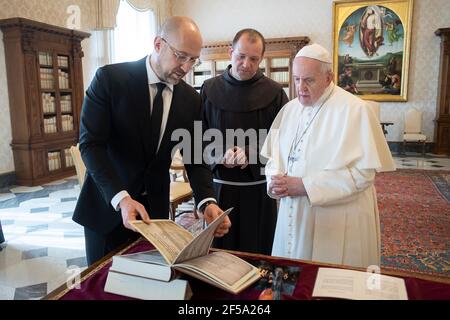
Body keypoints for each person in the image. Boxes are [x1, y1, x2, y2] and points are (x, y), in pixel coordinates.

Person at [73, 16, 231, 266]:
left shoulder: (191, 99)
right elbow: (91, 145)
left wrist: (206, 200)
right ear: (158, 44)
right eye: (181, 56)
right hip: (108, 208)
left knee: (147, 283)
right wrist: (122, 198)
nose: (187, 67)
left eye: (193, 59)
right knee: (104, 287)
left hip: (154, 216)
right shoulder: (110, 80)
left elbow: (195, 156)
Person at [261, 43, 395, 268]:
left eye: (309, 80)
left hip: (336, 217)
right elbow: (274, 157)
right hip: (293, 211)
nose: (300, 87)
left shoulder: (355, 110)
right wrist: (274, 180)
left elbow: (363, 175)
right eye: (296, 79)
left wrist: (305, 186)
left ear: (329, 77)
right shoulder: (290, 109)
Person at [201, 29, 288, 255]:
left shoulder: (275, 93)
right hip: (219, 190)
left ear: (261, 59)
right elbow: (196, 139)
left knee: (258, 255)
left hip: (258, 192)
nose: (246, 64)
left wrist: (251, 152)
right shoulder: (209, 89)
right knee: (218, 258)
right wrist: (219, 154)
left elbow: (284, 141)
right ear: (230, 53)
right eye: (241, 56)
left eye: (253, 59)